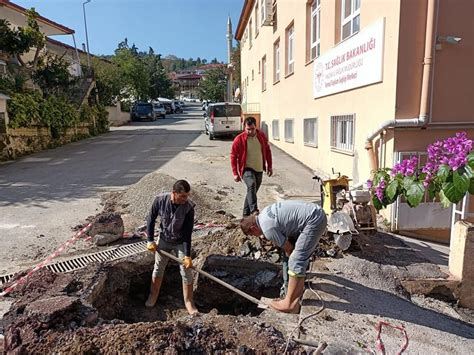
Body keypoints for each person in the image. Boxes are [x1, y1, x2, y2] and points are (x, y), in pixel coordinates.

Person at [240, 200, 327, 313]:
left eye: (252, 234)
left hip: (314, 221)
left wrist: (292, 269)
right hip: (313, 212)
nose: (256, 236)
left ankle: (290, 303)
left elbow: (289, 248)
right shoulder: (264, 214)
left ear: (253, 228)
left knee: (296, 261)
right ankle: (296, 288)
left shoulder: (268, 229)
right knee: (296, 259)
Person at [145, 179, 198, 315]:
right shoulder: (159, 200)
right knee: (158, 268)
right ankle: (153, 296)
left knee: (186, 272)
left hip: (180, 241)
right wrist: (150, 240)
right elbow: (151, 219)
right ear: (174, 193)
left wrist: (187, 255)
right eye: (182, 196)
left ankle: (189, 302)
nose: (185, 199)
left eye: (187, 196)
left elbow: (187, 233)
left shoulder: (189, 208)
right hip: (164, 239)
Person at [230, 116, 273, 217]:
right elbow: (233, 156)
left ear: (256, 126)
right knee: (251, 185)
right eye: (248, 129)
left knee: (252, 191)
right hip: (246, 169)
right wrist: (235, 173)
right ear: (244, 128)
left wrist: (269, 166)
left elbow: (267, 151)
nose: (250, 131)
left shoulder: (261, 136)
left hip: (259, 169)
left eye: (252, 129)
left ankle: (245, 215)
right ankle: (254, 211)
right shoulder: (239, 139)